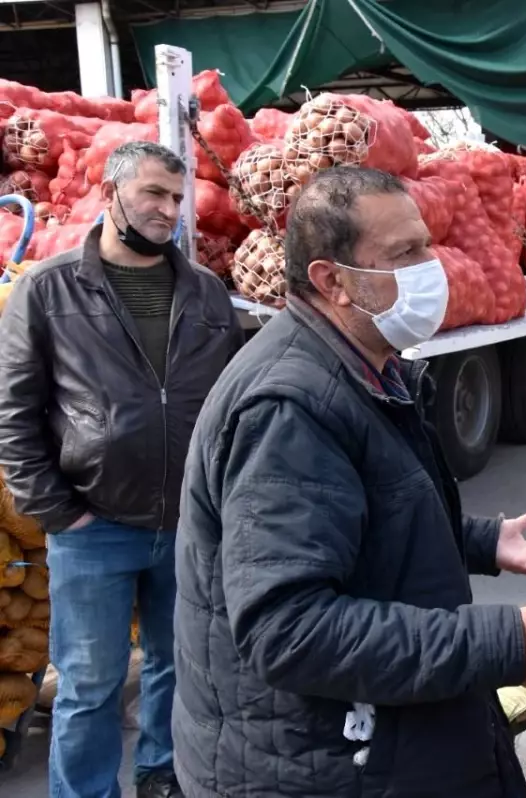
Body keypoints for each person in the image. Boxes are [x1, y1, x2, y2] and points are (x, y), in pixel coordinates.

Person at [172, 166, 526, 798]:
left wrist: (477, 540)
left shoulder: (365, 368)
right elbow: (288, 631)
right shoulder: (289, 407)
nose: (433, 266)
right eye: (405, 253)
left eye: (427, 245)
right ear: (332, 281)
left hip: (372, 742)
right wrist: (499, 643)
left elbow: (356, 523)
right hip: (318, 764)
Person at [0, 141, 243, 798]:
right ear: (111, 195)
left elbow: (227, 408)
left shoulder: (206, 293)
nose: (168, 209)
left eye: (175, 196)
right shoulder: (47, 291)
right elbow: (14, 415)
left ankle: (162, 776)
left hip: (188, 523)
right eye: (153, 195)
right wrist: (59, 513)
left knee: (178, 666)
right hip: (92, 527)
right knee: (88, 685)